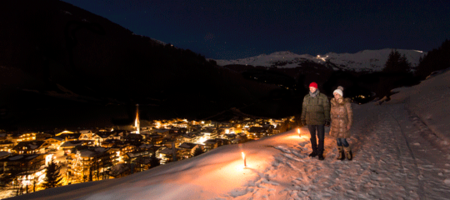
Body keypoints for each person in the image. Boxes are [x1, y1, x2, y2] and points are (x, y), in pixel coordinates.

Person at [301, 82, 330, 160]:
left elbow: (326, 108)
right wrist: (303, 118)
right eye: (310, 88)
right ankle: (314, 151)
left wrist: (327, 119)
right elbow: (304, 109)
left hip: (320, 120)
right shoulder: (306, 97)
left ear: (316, 88)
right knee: (312, 137)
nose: (311, 89)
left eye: (313, 88)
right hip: (310, 120)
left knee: (321, 137)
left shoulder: (322, 97)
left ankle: (320, 153)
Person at [329, 86, 353, 161]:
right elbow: (331, 114)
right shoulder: (333, 103)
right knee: (338, 141)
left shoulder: (346, 103)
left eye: (337, 94)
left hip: (343, 124)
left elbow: (350, 114)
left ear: (340, 94)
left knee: (343, 140)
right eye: (334, 94)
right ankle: (341, 154)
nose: (335, 96)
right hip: (335, 124)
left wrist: (349, 123)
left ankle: (349, 153)